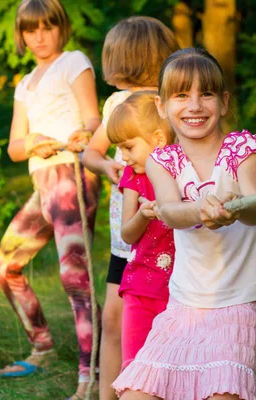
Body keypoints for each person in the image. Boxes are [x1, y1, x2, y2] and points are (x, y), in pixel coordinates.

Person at [112, 48, 256, 400]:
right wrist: (202, 209)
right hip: (184, 306)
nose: (194, 105)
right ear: (162, 106)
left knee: (222, 395)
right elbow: (170, 211)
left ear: (223, 101)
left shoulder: (241, 148)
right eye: (181, 95)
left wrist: (236, 208)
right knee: (134, 396)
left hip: (235, 304)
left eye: (206, 93)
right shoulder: (163, 159)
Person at [0, 0, 101, 398]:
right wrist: (32, 142)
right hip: (43, 185)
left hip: (71, 177)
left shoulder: (73, 62)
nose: (39, 36)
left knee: (75, 276)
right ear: (21, 35)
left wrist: (84, 134)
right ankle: (43, 345)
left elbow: (93, 117)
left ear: (61, 28)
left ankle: (94, 373)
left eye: (47, 27)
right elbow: (15, 147)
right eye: (30, 29)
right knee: (4, 265)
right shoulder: (25, 84)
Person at [81, 16, 179, 400]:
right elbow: (91, 152)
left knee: (160, 313)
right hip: (127, 235)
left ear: (125, 56)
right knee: (114, 314)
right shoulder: (117, 104)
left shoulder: (171, 100)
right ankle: (109, 393)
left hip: (168, 236)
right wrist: (106, 165)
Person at [105, 91, 176, 372]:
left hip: (180, 290)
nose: (123, 157)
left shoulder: (181, 170)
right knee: (135, 365)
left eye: (128, 147)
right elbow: (127, 234)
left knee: (173, 367)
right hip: (140, 287)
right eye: (119, 149)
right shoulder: (133, 177)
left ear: (158, 139)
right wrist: (143, 215)